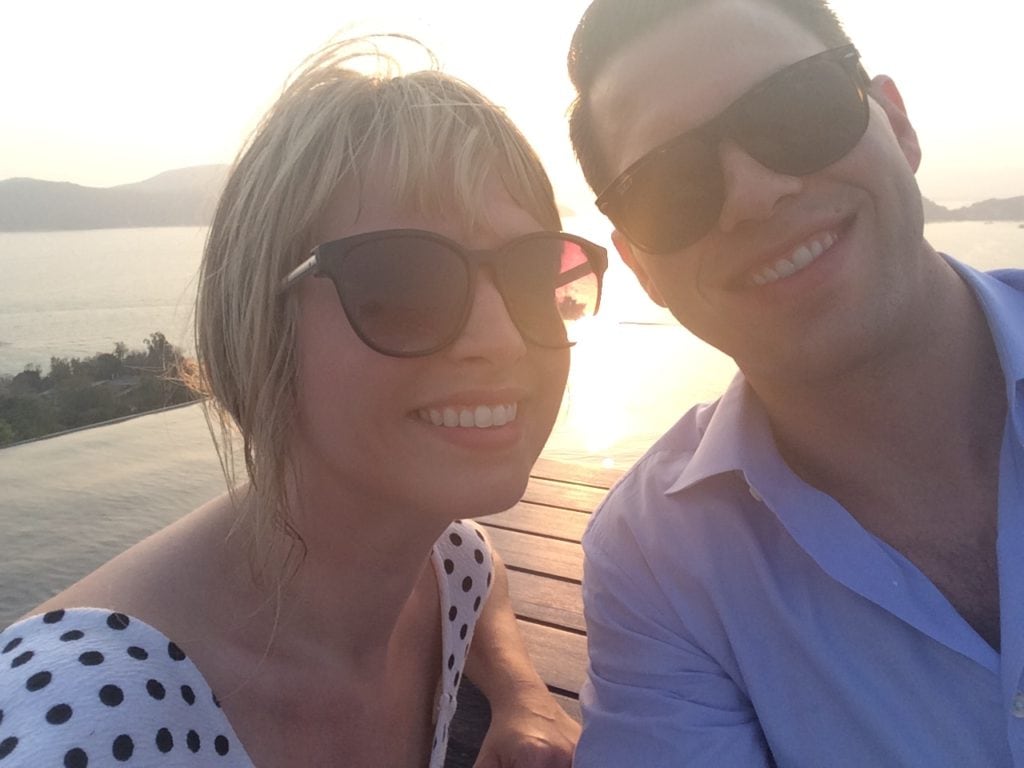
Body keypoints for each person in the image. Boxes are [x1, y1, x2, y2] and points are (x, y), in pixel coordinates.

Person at [0, 35, 607, 767]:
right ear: (260, 320)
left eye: (535, 271)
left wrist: (521, 691)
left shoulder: (434, 568)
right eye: (402, 285)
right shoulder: (91, 719)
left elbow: (478, 568)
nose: (502, 337)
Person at [565, 1, 1024, 765]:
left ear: (898, 124)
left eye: (793, 107)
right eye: (671, 183)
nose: (755, 192)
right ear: (640, 266)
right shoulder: (656, 558)